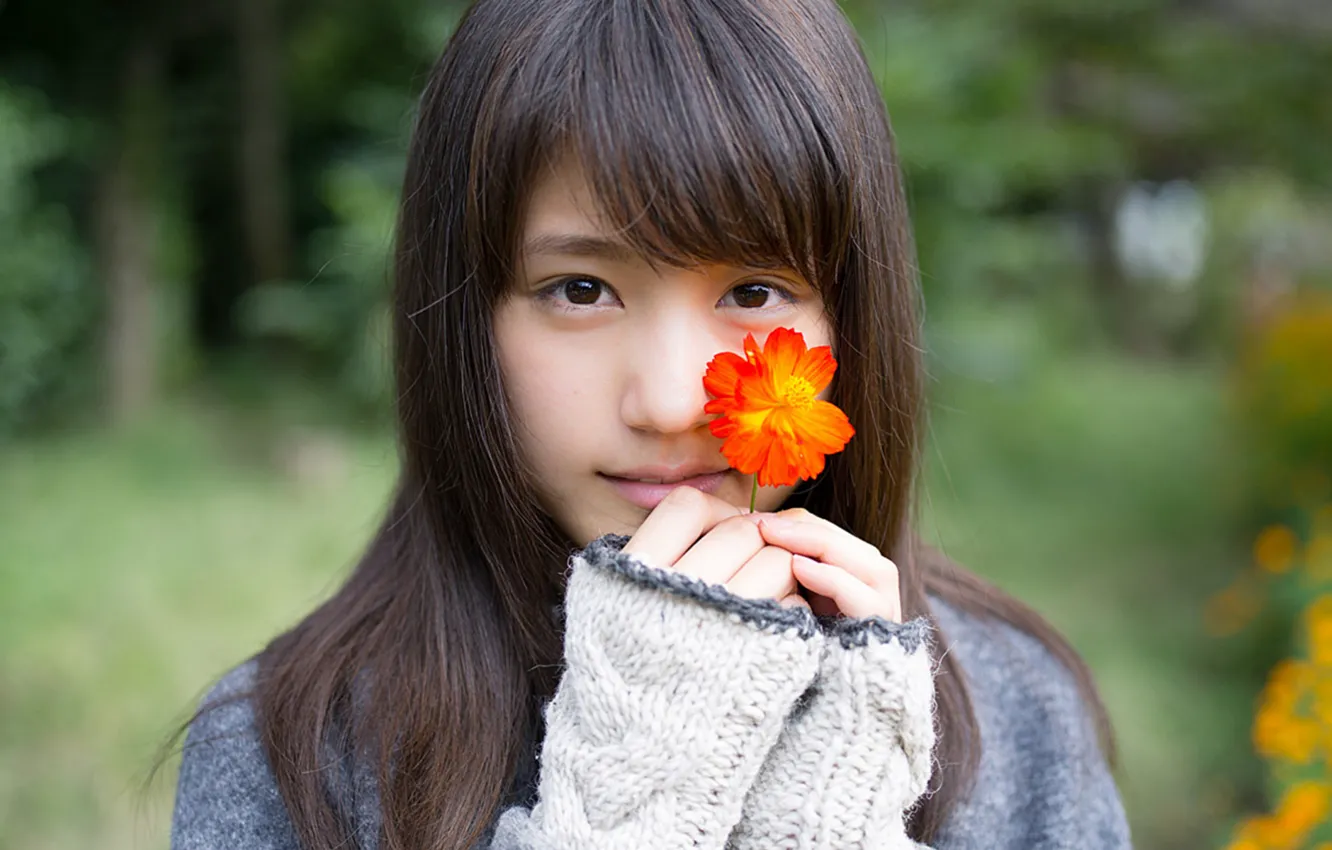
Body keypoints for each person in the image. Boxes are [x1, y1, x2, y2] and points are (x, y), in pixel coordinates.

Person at [168, 0, 1132, 848]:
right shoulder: (290, 756)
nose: (673, 403)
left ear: (853, 313)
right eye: (580, 290)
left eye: (754, 289)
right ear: (464, 319)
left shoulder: (1013, 710)